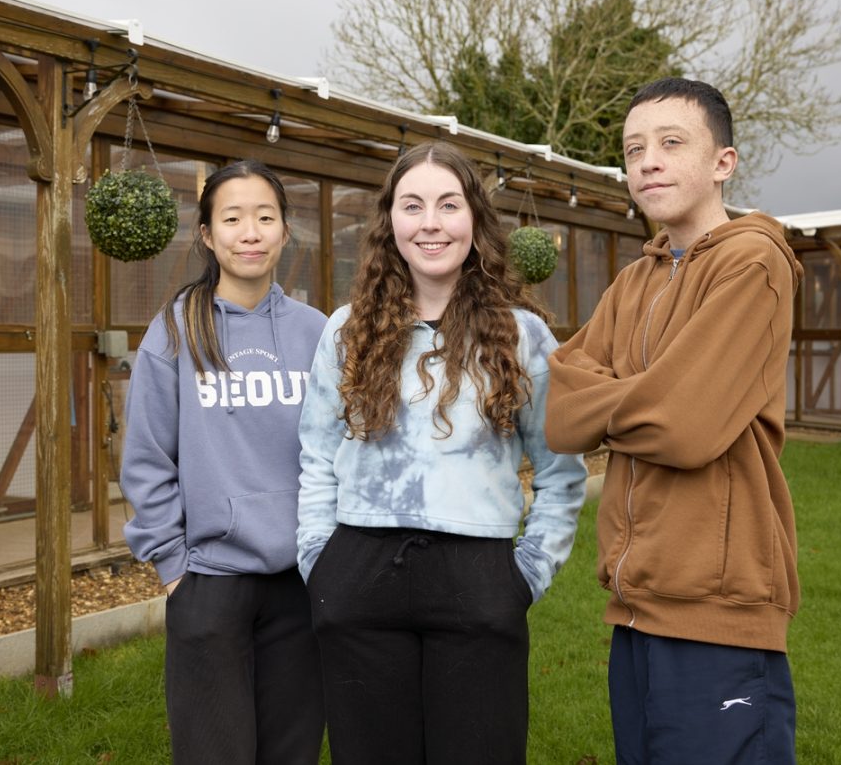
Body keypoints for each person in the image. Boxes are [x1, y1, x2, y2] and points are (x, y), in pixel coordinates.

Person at [297, 141, 587, 765]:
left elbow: (563, 471)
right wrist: (319, 562)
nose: (431, 222)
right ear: (390, 223)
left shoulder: (521, 335)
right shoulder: (347, 331)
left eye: (448, 204)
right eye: (413, 205)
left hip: (479, 581)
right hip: (357, 577)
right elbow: (316, 457)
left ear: (475, 221)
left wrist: (526, 574)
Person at [545, 77, 803, 764]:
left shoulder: (754, 262)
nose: (647, 162)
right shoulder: (636, 280)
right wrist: (649, 395)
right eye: (633, 150)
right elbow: (561, 412)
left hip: (718, 610)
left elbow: (685, 429)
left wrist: (622, 399)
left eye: (670, 143)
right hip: (636, 604)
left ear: (724, 162)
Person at [119, 160, 326, 765]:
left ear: (286, 231)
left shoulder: (318, 333)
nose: (251, 231)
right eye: (232, 218)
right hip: (209, 582)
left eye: (265, 216)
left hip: (302, 581)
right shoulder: (177, 330)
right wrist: (175, 566)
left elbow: (345, 448)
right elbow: (147, 457)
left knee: (292, 753)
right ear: (208, 235)